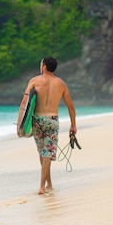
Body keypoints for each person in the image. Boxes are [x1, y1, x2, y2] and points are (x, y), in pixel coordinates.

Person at [19, 56, 77, 195]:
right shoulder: (61, 84)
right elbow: (71, 107)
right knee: (46, 153)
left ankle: (43, 186)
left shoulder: (34, 81)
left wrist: (20, 124)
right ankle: (46, 184)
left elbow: (24, 103)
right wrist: (73, 125)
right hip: (52, 120)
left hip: (37, 120)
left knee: (42, 152)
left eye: (41, 64)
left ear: (44, 66)